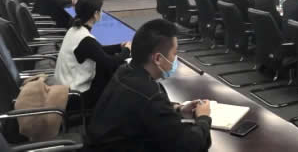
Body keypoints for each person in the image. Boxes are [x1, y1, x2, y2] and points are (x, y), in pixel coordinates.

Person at [87, 19, 212, 151]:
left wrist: (178, 109)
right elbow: (190, 146)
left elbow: (143, 108)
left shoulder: (124, 70)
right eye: (174, 54)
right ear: (158, 58)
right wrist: (203, 118)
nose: (175, 59)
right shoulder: (151, 95)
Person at [55, 0, 131, 108]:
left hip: (64, 87)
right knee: (114, 71)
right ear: (95, 14)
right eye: (101, 10)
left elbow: (97, 50)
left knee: (105, 69)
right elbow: (110, 63)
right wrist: (127, 51)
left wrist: (119, 47)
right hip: (75, 95)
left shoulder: (74, 29)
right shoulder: (85, 39)